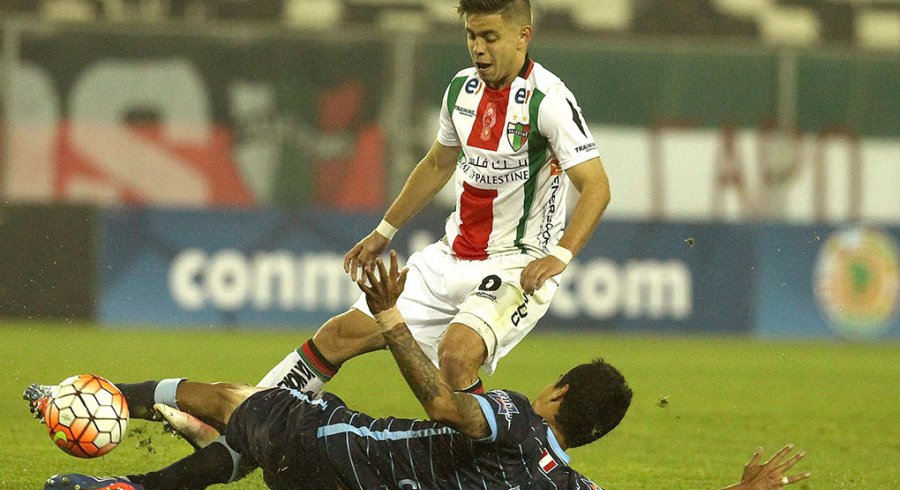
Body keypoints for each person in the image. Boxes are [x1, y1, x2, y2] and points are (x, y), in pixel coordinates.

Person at [26, 0, 611, 428]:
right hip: (449, 256)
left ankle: (485, 464)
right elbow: (437, 162)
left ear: (522, 35)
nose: (478, 48)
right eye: (470, 37)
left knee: (458, 355)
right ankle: (239, 421)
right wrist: (384, 231)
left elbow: (596, 187)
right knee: (338, 335)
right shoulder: (461, 88)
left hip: (515, 265)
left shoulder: (548, 101)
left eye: (488, 36)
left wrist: (559, 255)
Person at [43, 254, 810, 490]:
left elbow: (444, 402)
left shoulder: (513, 415)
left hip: (334, 448)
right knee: (247, 446)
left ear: (560, 397)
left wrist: (392, 318)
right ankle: (139, 456)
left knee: (247, 405)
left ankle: (129, 455)